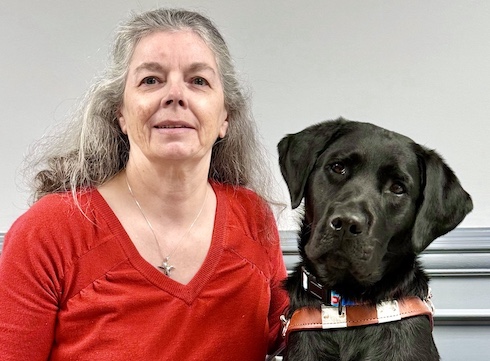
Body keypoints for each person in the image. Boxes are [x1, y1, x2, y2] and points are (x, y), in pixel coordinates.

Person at [0, 8, 289, 361]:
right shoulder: (48, 233)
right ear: (120, 113)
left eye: (199, 81)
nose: (175, 95)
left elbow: (295, 342)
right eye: (151, 80)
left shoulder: (254, 219)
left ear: (225, 116)